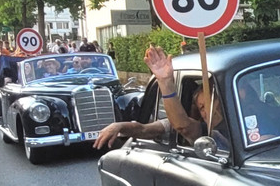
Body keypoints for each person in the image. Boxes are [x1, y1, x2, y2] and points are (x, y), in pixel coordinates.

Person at [94, 45, 227, 151]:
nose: (205, 111)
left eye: (209, 103)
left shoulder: (237, 123)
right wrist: (119, 126)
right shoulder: (202, 130)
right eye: (201, 107)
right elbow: (147, 129)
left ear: (221, 102)